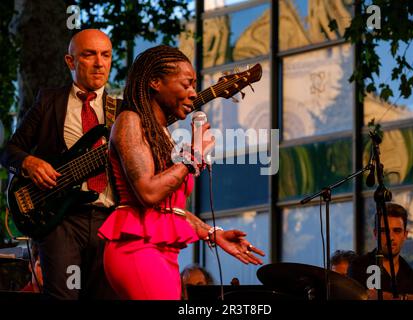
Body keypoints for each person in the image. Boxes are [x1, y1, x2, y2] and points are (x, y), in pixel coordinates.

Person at [97, 45, 265, 300]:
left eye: (194, 86)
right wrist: (192, 157)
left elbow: (169, 209)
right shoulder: (130, 120)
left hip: (161, 251)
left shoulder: (161, 134)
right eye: (186, 84)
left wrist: (212, 233)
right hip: (136, 249)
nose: (192, 94)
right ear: (155, 82)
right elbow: (148, 192)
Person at [1, 29, 120, 299]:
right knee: (64, 296)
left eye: (106, 55)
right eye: (89, 55)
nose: (100, 63)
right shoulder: (49, 101)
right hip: (61, 220)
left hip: (109, 219)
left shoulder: (122, 110)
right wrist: (29, 163)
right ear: (70, 61)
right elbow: (9, 151)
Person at [347, 203, 413, 300]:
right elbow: (365, 295)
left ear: (405, 235)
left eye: (397, 231)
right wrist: (407, 298)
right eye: (384, 231)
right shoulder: (358, 266)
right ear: (376, 234)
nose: (391, 237)